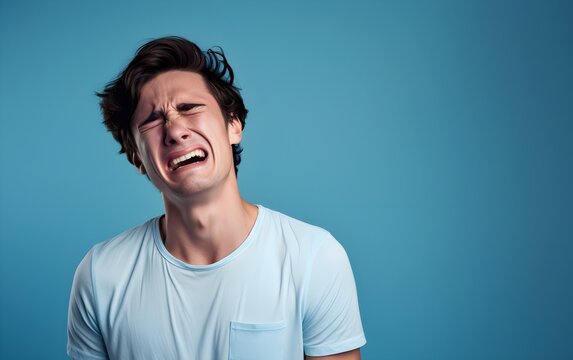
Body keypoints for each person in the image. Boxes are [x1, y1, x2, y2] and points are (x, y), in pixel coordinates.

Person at [67, 36, 366, 360]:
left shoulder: (314, 258)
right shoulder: (101, 275)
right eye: (153, 120)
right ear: (138, 159)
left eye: (189, 108)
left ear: (233, 124)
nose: (174, 130)